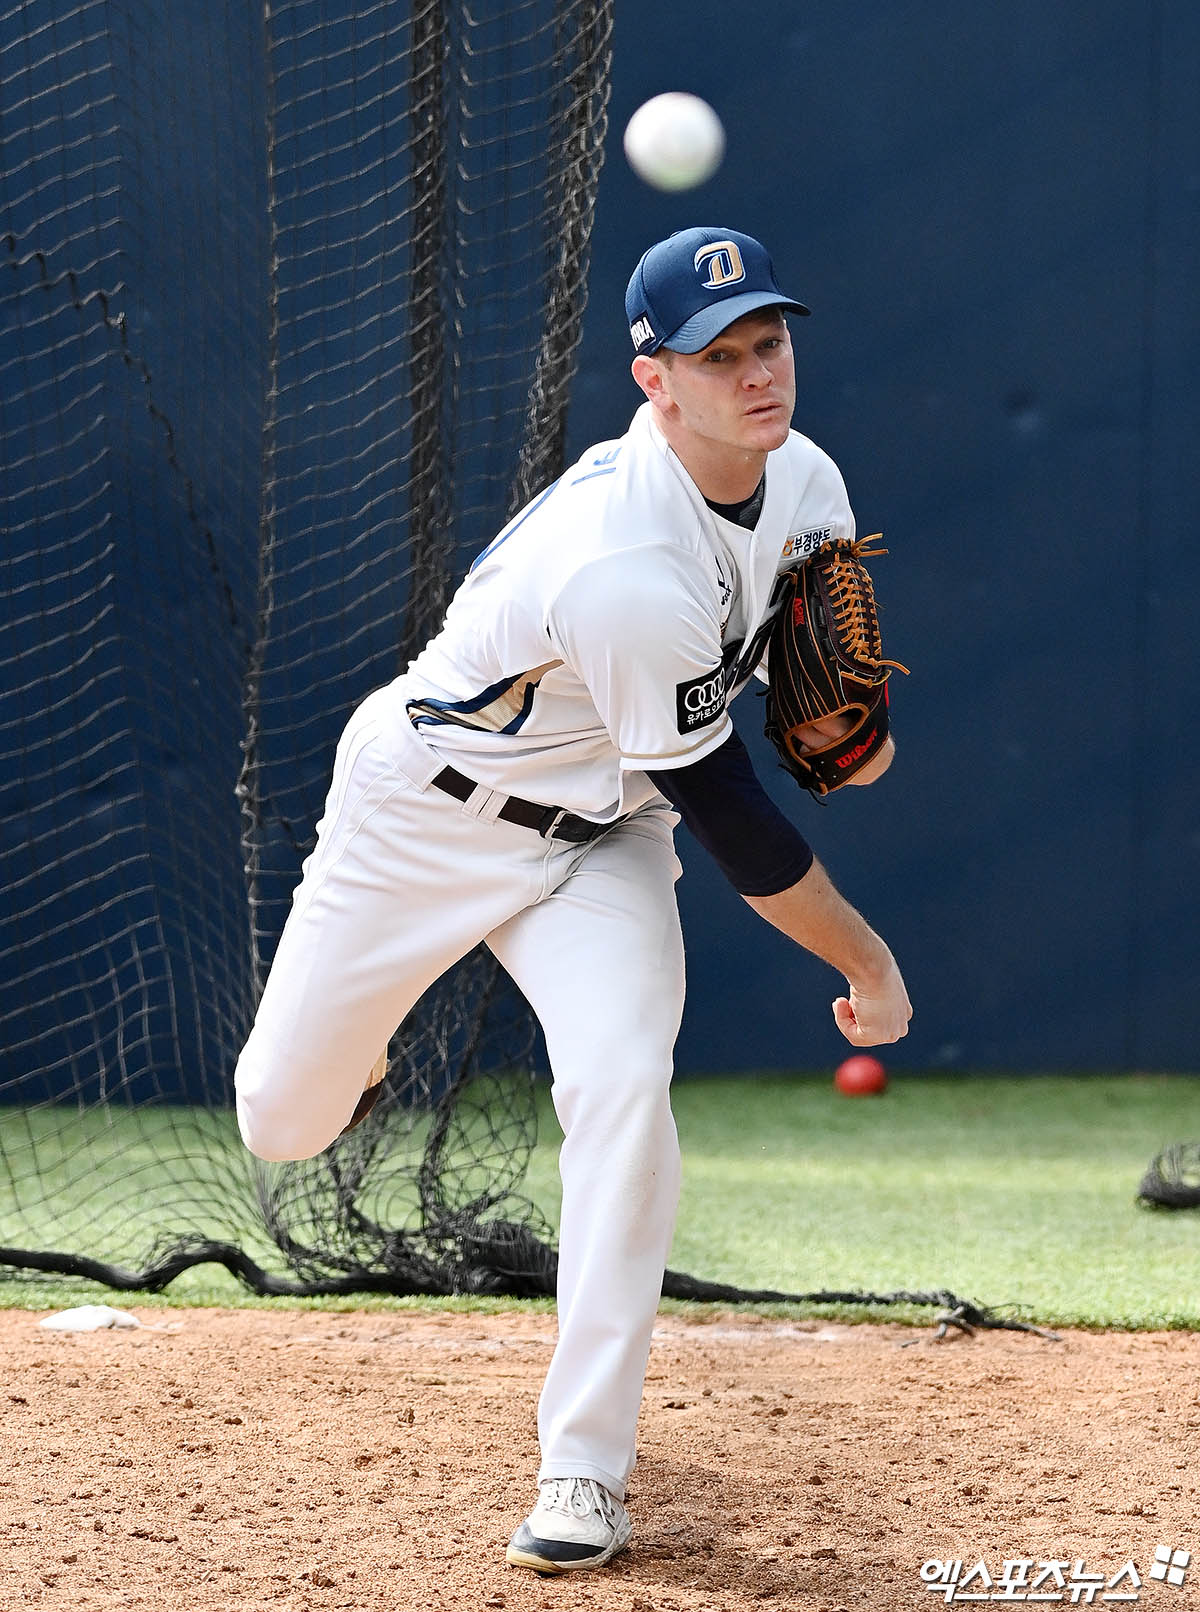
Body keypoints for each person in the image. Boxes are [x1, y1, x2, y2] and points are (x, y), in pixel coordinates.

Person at [234, 226, 912, 1575]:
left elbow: (815, 710)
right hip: (426, 816)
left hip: (605, 839)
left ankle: (584, 1468)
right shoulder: (621, 562)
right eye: (718, 357)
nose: (757, 374)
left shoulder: (809, 478)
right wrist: (870, 963)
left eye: (769, 340)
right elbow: (739, 826)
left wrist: (850, 732)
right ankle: (355, 1056)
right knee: (283, 1124)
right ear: (653, 381)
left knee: (622, 1093)